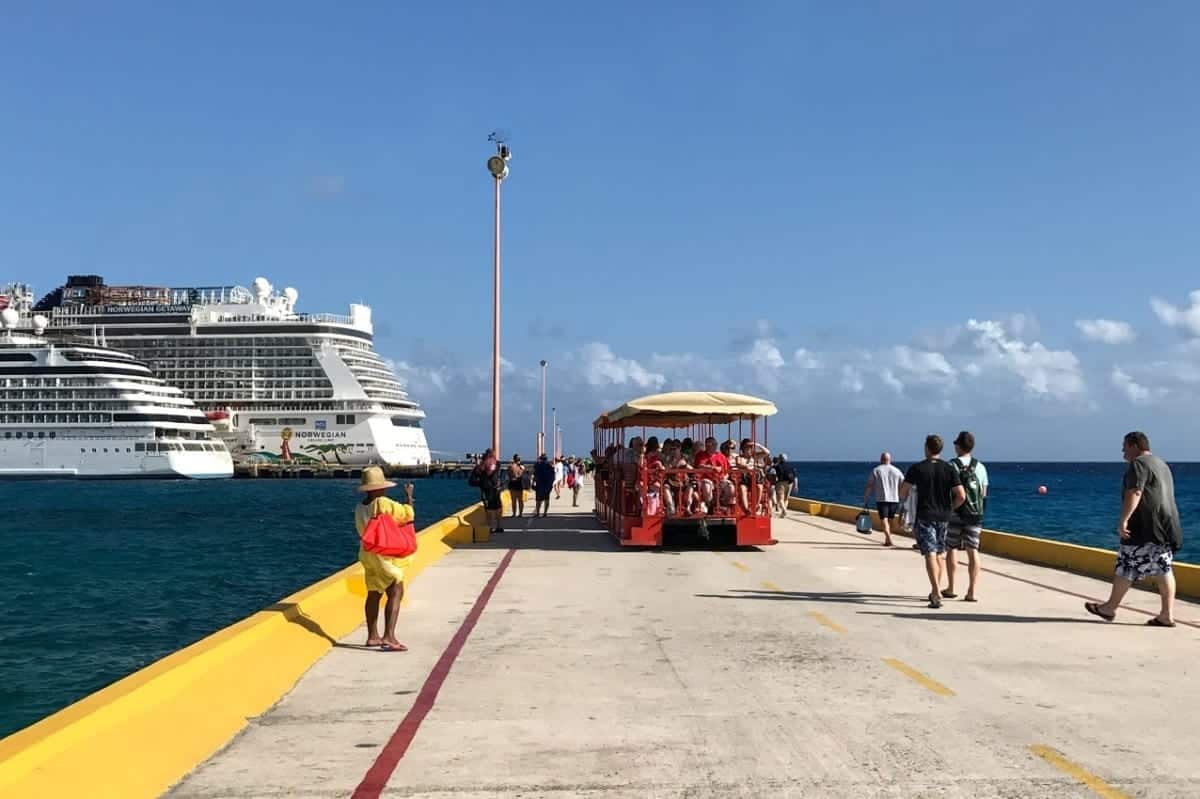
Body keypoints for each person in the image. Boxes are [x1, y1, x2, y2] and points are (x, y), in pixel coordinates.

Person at [1085, 431, 1184, 627]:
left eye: (1125, 446)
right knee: (1163, 569)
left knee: (1127, 566)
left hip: (1145, 526)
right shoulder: (1161, 464)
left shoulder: (1138, 464)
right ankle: (1166, 614)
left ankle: (1109, 608)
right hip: (1167, 525)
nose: (1122, 451)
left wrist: (1124, 520)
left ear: (1135, 445)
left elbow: (1135, 491)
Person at [898, 435, 965, 608]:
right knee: (940, 553)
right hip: (944, 517)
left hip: (925, 515)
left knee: (930, 553)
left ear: (927, 448)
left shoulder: (917, 469)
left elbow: (902, 493)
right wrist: (950, 509)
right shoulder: (949, 469)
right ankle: (935, 588)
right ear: (940, 449)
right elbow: (961, 496)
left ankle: (935, 592)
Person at [353, 466, 415, 652]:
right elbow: (408, 514)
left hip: (367, 554)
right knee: (396, 590)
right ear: (380, 487)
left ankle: (373, 635)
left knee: (373, 592)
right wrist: (409, 497)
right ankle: (389, 636)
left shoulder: (359, 507)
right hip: (383, 554)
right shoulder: (383, 503)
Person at [943, 432, 988, 601]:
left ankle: (951, 587)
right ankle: (972, 591)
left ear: (959, 446)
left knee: (951, 548)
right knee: (973, 550)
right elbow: (983, 493)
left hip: (955, 512)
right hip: (975, 514)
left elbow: (948, 490)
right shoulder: (981, 467)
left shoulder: (951, 465)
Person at [864, 452, 905, 547]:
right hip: (894, 500)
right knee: (891, 520)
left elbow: (869, 485)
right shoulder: (897, 471)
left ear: (881, 459)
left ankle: (889, 539)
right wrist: (904, 497)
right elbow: (903, 485)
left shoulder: (877, 470)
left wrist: (866, 497)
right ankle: (887, 539)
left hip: (882, 499)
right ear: (890, 460)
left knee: (884, 520)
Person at [470, 449, 504, 534]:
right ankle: (499, 526)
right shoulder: (497, 463)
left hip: (486, 490)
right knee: (498, 508)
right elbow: (495, 473)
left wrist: (478, 465)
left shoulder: (483, 464)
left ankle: (490, 527)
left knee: (489, 509)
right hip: (496, 489)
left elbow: (473, 479)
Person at [533, 453, 556, 517]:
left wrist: (533, 484)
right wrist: (550, 485)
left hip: (539, 485)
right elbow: (553, 477)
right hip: (547, 486)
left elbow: (535, 476)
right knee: (546, 499)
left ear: (541, 459)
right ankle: (545, 513)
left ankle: (537, 513)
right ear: (546, 459)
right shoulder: (550, 466)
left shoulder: (538, 465)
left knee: (538, 500)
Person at [507, 454, 526, 518]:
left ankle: (514, 514)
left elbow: (509, 474)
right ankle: (520, 514)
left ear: (513, 459)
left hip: (512, 484)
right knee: (520, 500)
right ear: (519, 460)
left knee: (513, 501)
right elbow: (523, 473)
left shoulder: (511, 466)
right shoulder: (521, 467)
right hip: (519, 484)